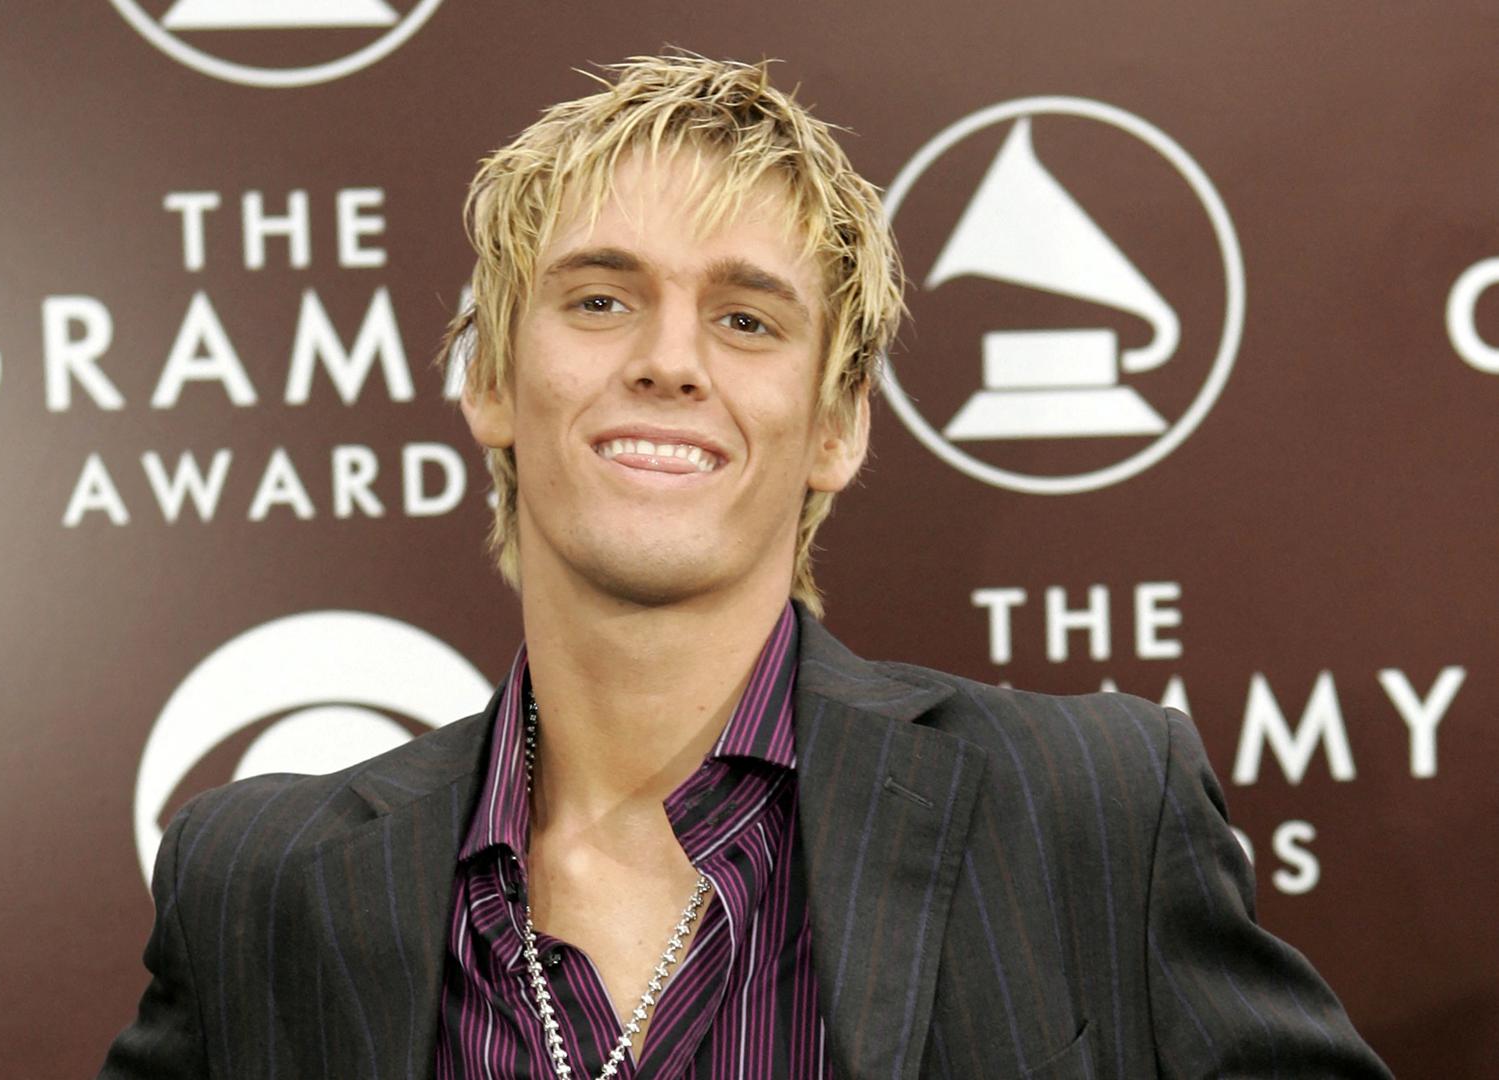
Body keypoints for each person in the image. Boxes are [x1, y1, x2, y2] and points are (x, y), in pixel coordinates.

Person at [99, 54, 1390, 1079]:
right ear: (490, 379)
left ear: (837, 427)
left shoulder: (1088, 812)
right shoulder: (257, 887)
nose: (670, 361)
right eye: (600, 299)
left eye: (746, 318)